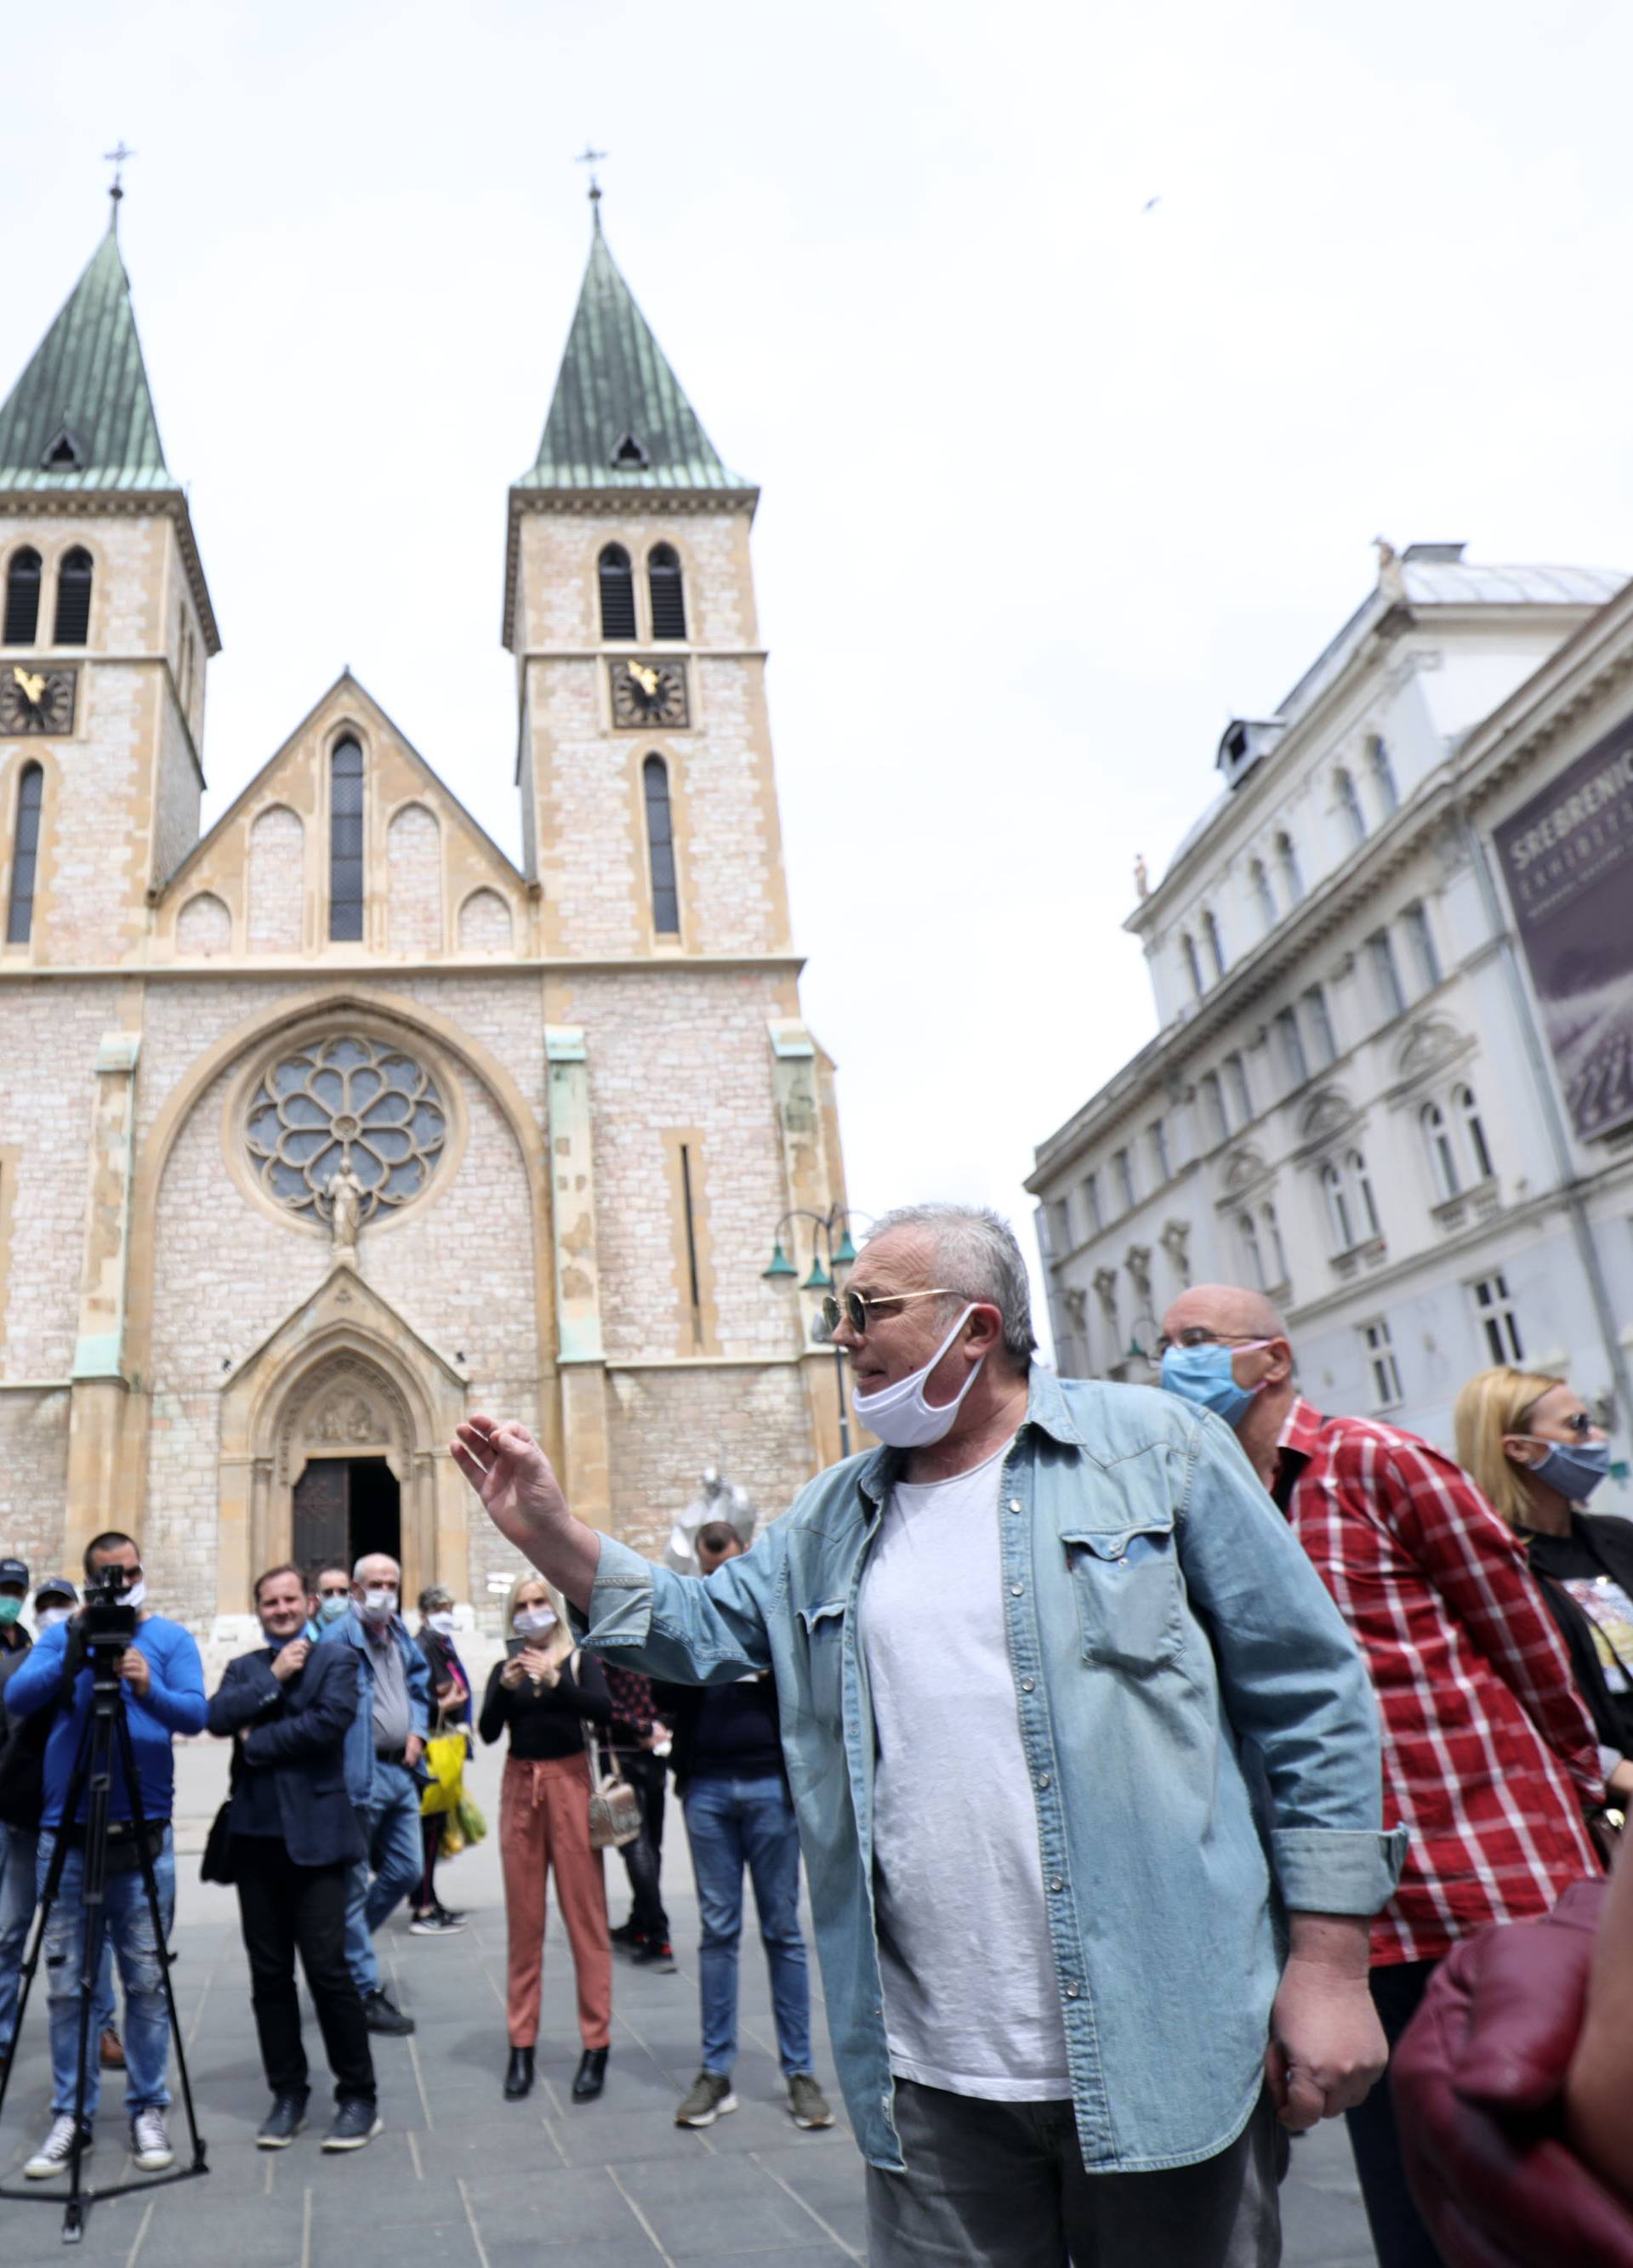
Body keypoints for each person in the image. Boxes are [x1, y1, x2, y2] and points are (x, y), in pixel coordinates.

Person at [456, 1203, 1403, 2268]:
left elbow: (1313, 1697)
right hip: (932, 2085)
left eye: (867, 1308)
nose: (841, 1333)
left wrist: (1331, 1968)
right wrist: (547, 1529)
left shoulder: (1157, 1449)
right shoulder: (830, 1516)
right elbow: (696, 1629)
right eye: (836, 1310)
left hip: (1167, 2048)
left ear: (976, 1328)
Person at [1155, 1283, 1604, 2268]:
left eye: (1195, 1341)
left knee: (1549, 2199)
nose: (1170, 1362)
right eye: (1163, 1345)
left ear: (1270, 1360)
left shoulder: (1372, 1461)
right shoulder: (1192, 1501)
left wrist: (1580, 1783)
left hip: (1496, 1879)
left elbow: (1524, 1630)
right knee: (1415, 2209)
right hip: (1354, 1917)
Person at [6, 1532, 206, 2180]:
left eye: (131, 1573)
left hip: (143, 1834)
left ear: (142, 1573)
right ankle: (73, 2113)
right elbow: (16, 1697)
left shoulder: (170, 1639)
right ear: (91, 1582)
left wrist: (146, 1686)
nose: (123, 1585)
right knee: (67, 1987)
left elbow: (196, 1713)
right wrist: (76, 1638)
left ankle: (150, 2106)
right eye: (109, 1578)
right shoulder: (66, 1636)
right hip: (65, 1837)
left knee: (146, 1983)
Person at [657, 1519, 832, 2133]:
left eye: (728, 1572)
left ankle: (801, 2073)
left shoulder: (776, 1617)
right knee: (718, 1931)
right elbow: (663, 1695)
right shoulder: (694, 1615)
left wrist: (767, 1666)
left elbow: (813, 1682)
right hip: (705, 1787)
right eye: (709, 1577)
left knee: (784, 1930)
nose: (719, 1585)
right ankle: (715, 2071)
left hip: (769, 1787)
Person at [208, 1564, 380, 2151]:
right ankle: (288, 2092)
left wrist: (258, 1742)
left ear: (308, 1603)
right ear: (257, 1608)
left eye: (289, 1599)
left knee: (329, 1970)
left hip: (319, 1840)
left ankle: (358, 2095)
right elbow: (217, 1716)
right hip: (257, 1841)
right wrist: (274, 1679)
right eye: (269, 1601)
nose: (280, 1609)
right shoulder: (246, 1667)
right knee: (269, 1975)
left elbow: (329, 1725)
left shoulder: (337, 1660)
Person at [1454, 1364, 1633, 1822]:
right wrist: (1615, 1773)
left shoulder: (1617, 1538)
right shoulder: (1497, 1567)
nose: (1595, 1435)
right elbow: (1518, 1706)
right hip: (1604, 1811)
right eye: (1576, 1425)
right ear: (1520, 1450)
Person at [478, 1573, 612, 2106]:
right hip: (521, 1787)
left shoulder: (579, 1661)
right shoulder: (503, 1670)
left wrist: (559, 1683)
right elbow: (487, 1732)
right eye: (522, 1605)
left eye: (539, 1603)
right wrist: (507, 1689)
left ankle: (596, 2042)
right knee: (524, 1922)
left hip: (570, 1783)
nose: (531, 1612)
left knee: (586, 1918)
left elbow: (602, 1713)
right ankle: (521, 2044)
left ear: (554, 1610)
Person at [0, 1577, 117, 2083]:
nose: (52, 1614)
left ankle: (104, 2028)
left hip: (77, 1819)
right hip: (23, 1815)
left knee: (96, 1932)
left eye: (61, 1605)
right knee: (10, 1930)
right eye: (43, 1606)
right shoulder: (22, 1664)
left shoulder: (93, 1663)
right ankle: (2, 2037)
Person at [316, 1551, 431, 2037]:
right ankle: (362, 1989)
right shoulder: (336, 1639)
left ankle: (342, 1944)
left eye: (391, 1582)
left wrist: (418, 1731)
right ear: (356, 1590)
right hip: (358, 1778)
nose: (384, 1590)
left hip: (401, 1771)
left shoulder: (401, 1633)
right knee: (354, 1881)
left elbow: (420, 1685)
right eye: (374, 1583)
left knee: (408, 1868)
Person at [409, 1583, 469, 1936]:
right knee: (427, 1831)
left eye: (450, 1607)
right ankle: (423, 1905)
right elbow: (417, 1698)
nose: (446, 1615)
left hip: (445, 1744)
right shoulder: (423, 1647)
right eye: (439, 1609)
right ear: (424, 1614)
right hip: (431, 1748)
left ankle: (428, 1896)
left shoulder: (441, 1644)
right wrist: (443, 1705)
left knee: (434, 1830)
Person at [603, 1659, 673, 1969]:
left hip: (620, 1756)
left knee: (634, 1844)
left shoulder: (602, 1645)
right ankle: (641, 1920)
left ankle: (658, 1933)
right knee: (650, 1843)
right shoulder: (655, 1638)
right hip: (656, 1751)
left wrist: (642, 1728)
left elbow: (601, 1702)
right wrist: (661, 1727)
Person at [304, 1561, 354, 1643]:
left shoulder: (359, 1633)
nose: (336, 1597)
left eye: (342, 1591)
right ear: (317, 1599)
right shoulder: (307, 1636)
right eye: (328, 1592)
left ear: (351, 1597)